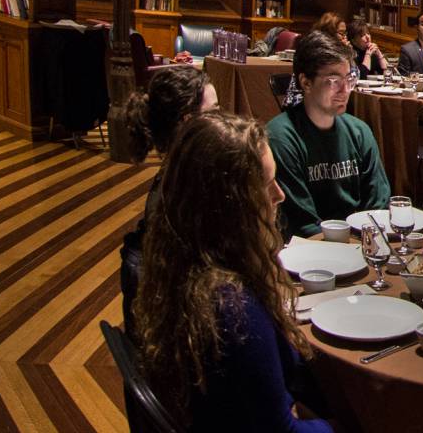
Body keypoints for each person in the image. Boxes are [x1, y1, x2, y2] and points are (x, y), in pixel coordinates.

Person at [134, 112, 331, 432]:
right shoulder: (233, 310)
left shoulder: (181, 265)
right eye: (266, 186)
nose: (280, 196)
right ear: (229, 206)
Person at [120, 65, 218, 332]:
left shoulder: (181, 169)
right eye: (214, 112)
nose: (223, 120)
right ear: (188, 121)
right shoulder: (185, 190)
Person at [266, 32, 391, 238]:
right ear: (305, 83)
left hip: (363, 243)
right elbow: (302, 223)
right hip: (308, 251)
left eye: (349, 78)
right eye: (333, 80)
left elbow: (378, 206)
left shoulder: (360, 132)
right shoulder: (281, 137)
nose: (345, 90)